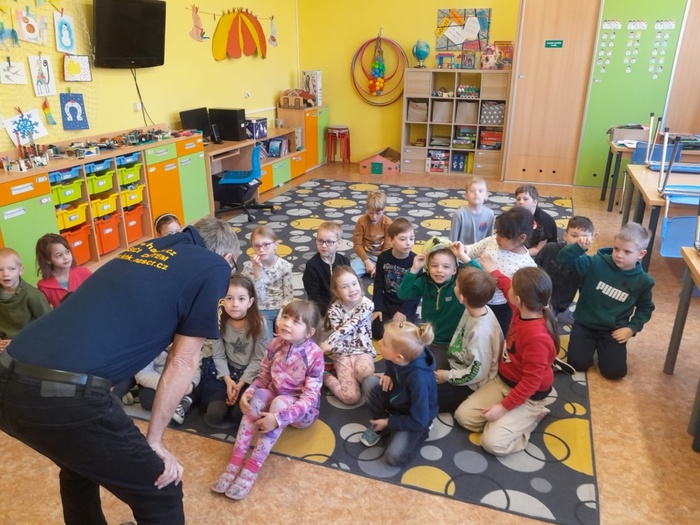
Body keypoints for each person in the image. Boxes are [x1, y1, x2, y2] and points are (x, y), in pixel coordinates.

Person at [0, 218, 240, 524]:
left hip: (7, 375)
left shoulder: (146, 248)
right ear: (227, 258)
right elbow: (182, 360)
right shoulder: (215, 265)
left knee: (79, 465)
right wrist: (154, 442)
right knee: (162, 488)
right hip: (63, 395)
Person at [211, 300, 324, 500]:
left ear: (309, 332)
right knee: (257, 397)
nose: (286, 323)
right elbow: (263, 377)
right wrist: (249, 392)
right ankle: (235, 463)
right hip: (275, 395)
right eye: (285, 317)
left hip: (302, 412)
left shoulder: (315, 355)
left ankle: (251, 470)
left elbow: (309, 398)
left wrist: (278, 419)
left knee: (279, 403)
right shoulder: (275, 344)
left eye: (296, 322)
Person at [455, 262, 558, 456]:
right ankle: (508, 422)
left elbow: (531, 382)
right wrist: (492, 270)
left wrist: (502, 408)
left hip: (528, 396)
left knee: (492, 444)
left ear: (517, 299)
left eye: (512, 288)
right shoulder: (523, 309)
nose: (507, 288)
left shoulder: (537, 336)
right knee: (464, 417)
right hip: (503, 382)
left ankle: (532, 418)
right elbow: (505, 284)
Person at [557, 222, 655, 379]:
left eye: (627, 252)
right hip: (585, 323)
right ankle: (589, 346)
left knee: (614, 373)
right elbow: (563, 259)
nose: (619, 255)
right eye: (616, 249)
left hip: (613, 330)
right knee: (577, 363)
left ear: (641, 254)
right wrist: (578, 248)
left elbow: (646, 308)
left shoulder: (643, 281)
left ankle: (601, 348)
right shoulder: (595, 262)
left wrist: (631, 328)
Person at [359, 320, 438, 467]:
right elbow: (390, 362)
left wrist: (390, 423)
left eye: (384, 343)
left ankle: (421, 431)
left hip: (416, 417)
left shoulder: (419, 379)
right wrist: (388, 374)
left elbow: (419, 419)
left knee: (393, 457)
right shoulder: (402, 356)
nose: (379, 342)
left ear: (399, 357)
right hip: (398, 398)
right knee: (369, 382)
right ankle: (382, 425)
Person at [452, 206, 537, 337]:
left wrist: (490, 270)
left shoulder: (527, 265)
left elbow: (508, 290)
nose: (497, 237)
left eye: (503, 236)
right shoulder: (493, 241)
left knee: (491, 335)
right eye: (497, 232)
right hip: (475, 299)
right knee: (469, 331)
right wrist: (463, 249)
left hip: (498, 307)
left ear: (521, 238)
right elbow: (473, 249)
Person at [202, 274, 268, 428]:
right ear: (222, 300)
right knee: (214, 415)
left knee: (239, 414)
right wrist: (227, 380)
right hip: (226, 370)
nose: (235, 304)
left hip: (250, 373)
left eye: (241, 299)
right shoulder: (218, 320)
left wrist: (240, 384)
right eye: (229, 298)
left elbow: (259, 358)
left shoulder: (260, 323)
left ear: (250, 302)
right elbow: (218, 354)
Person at [434, 267, 503, 414]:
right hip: (457, 364)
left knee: (425, 396)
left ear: (461, 297)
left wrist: (447, 376)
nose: (454, 286)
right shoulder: (476, 307)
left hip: (472, 383)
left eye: (456, 285)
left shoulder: (480, 332)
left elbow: (476, 373)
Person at [397, 236, 466, 370]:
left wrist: (462, 256)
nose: (439, 270)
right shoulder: (424, 282)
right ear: (427, 267)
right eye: (434, 265)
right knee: (403, 360)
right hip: (428, 337)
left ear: (454, 269)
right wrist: (414, 269)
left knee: (429, 370)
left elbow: (481, 279)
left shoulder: (460, 283)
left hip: (451, 342)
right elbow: (403, 294)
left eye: (446, 266)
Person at [320, 266, 375, 405]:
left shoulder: (367, 304)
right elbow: (339, 338)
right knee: (351, 398)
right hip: (342, 354)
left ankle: (356, 376)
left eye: (354, 284)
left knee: (365, 375)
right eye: (345, 287)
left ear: (360, 283)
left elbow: (351, 325)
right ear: (336, 291)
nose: (352, 289)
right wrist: (333, 347)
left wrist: (329, 343)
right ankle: (326, 375)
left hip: (363, 351)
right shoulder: (334, 309)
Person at [535, 216, 595, 324]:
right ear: (565, 236)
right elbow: (534, 269)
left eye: (585, 237)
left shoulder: (585, 262)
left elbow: (584, 291)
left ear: (591, 240)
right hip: (538, 293)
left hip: (559, 303)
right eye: (574, 236)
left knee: (543, 322)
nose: (579, 241)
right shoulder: (550, 248)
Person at [242, 225, 293, 343]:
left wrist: (281, 317)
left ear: (276, 244)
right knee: (268, 343)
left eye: (266, 244)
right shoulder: (248, 268)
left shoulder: (284, 266)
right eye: (257, 246)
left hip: (281, 308)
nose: (261, 249)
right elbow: (258, 297)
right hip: (260, 310)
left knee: (291, 337)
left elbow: (288, 296)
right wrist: (257, 272)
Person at [371, 217, 420, 340]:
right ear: (391, 240)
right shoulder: (383, 258)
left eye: (411, 238)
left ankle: (411, 320)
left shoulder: (416, 262)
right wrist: (377, 308)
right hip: (387, 303)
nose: (408, 243)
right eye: (403, 239)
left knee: (403, 335)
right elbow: (378, 285)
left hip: (406, 305)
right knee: (375, 330)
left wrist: (404, 311)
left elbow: (416, 292)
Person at [0, 247, 51, 351]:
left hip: (28, 342)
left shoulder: (33, 295)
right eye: (0, 270)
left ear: (21, 270)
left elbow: (48, 324)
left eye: (11, 269)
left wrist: (18, 342)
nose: (5, 274)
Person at [134, 348, 200, 424]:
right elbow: (143, 374)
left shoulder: (191, 346)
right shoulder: (151, 347)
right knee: (146, 396)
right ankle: (180, 405)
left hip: (184, 382)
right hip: (160, 381)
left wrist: (191, 384)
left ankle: (183, 403)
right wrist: (168, 386)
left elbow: (196, 368)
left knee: (200, 386)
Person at [303, 221, 351, 316]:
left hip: (345, 305)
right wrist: (331, 313)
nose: (324, 245)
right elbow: (314, 297)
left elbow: (349, 286)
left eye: (329, 242)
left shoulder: (344, 261)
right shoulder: (312, 266)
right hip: (323, 310)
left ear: (339, 243)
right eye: (320, 241)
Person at [35, 233, 92, 308]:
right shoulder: (44, 286)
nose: (66, 257)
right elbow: (44, 310)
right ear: (48, 260)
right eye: (59, 255)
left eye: (67, 252)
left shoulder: (84, 272)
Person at [351, 190, 393, 278]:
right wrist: (367, 262)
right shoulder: (361, 221)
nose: (374, 217)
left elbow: (388, 247)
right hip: (365, 256)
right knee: (350, 273)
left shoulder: (388, 223)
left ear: (384, 209)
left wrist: (380, 265)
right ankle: (370, 269)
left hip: (382, 257)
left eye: (378, 213)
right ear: (367, 208)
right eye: (371, 213)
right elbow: (357, 245)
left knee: (394, 274)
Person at [449, 176, 495, 245]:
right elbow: (453, 240)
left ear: (486, 195)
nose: (476, 193)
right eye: (472, 191)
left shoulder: (490, 214)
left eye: (480, 191)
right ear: (466, 195)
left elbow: (490, 239)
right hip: (462, 250)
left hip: (481, 250)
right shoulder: (459, 215)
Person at [514, 184, 558, 256]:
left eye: (525, 199)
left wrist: (517, 254)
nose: (521, 202)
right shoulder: (516, 214)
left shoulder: (545, 221)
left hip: (542, 254)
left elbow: (539, 249)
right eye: (518, 199)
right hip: (525, 245)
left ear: (535, 202)